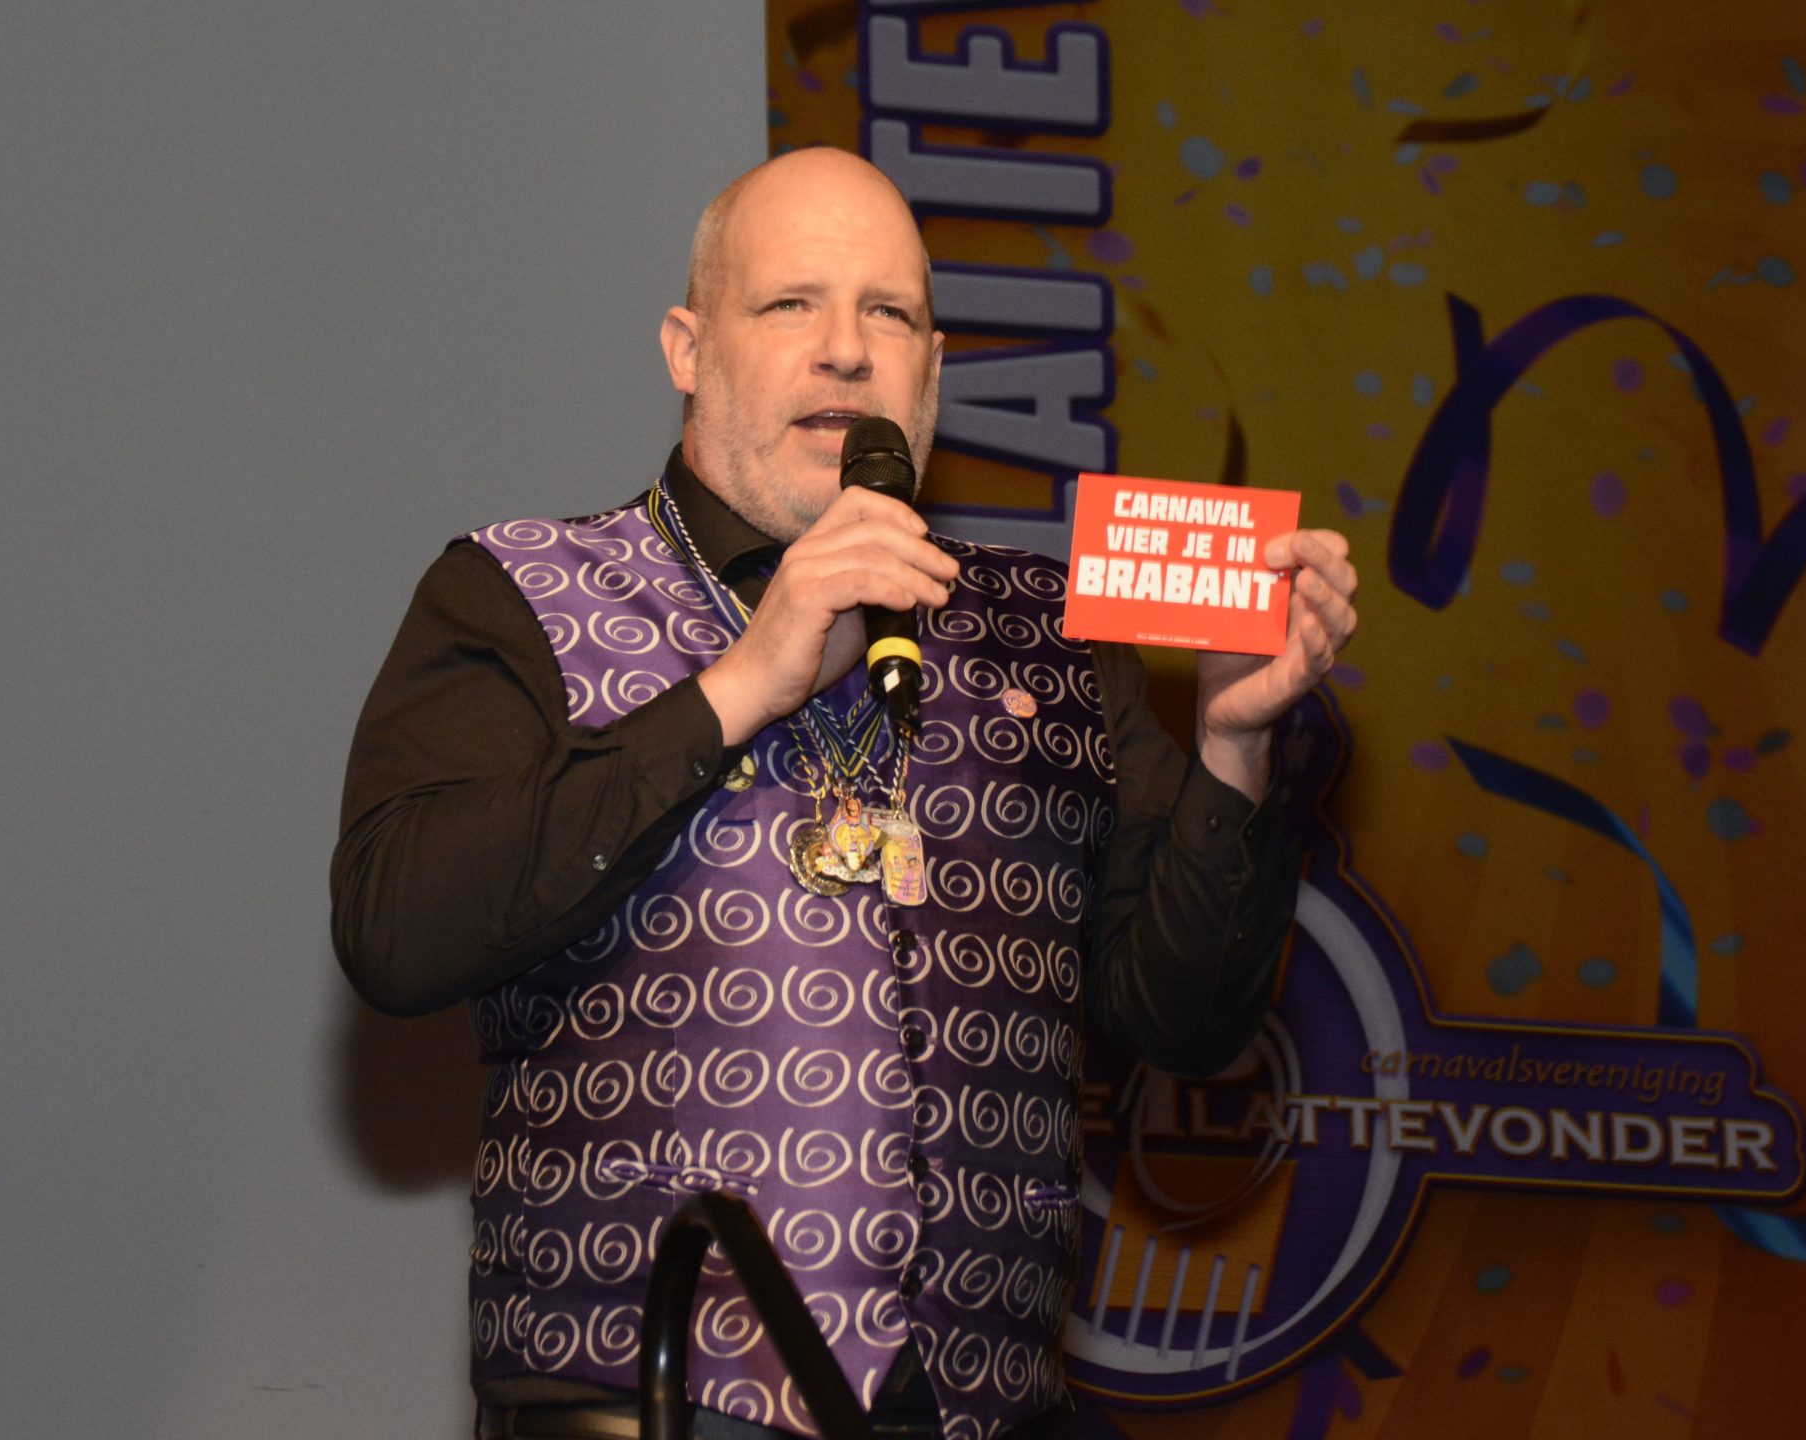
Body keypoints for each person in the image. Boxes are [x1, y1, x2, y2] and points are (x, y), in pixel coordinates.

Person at [331, 148, 1360, 1440]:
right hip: (652, 1401)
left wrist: (1230, 746)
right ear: (688, 351)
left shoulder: (1050, 637)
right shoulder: (520, 595)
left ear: (932, 371)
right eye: (790, 306)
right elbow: (395, 928)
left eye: (890, 314)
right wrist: (738, 687)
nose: (845, 351)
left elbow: (1190, 1024)